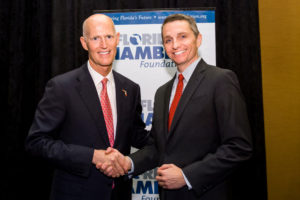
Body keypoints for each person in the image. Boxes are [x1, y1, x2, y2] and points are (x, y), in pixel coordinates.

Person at [100, 14, 253, 200]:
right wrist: (127, 162)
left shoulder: (221, 81)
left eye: (182, 36)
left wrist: (187, 176)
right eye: (168, 40)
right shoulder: (162, 93)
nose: (175, 45)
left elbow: (239, 146)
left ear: (198, 39)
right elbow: (157, 147)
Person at [25, 14, 148, 200]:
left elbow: (137, 136)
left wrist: (175, 132)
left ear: (117, 39)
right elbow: (37, 142)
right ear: (84, 43)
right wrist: (91, 156)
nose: (104, 45)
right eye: (96, 38)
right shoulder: (61, 87)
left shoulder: (130, 89)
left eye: (108, 37)